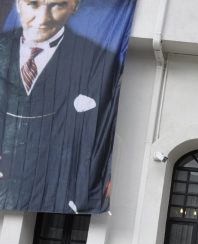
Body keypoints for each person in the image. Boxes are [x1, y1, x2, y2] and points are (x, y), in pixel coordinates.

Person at [0, 0, 122, 213]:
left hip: (55, 190)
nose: (43, 18)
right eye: (33, 4)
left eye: (57, 5)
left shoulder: (99, 62)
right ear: (18, 3)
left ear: (74, 6)